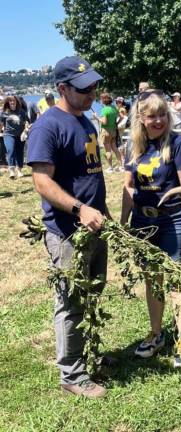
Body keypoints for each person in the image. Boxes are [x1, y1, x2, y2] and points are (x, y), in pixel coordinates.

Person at [27, 55, 109, 398]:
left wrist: (101, 211)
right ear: (62, 88)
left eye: (93, 85)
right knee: (70, 301)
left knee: (92, 292)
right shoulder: (49, 126)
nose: (92, 92)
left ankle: (86, 356)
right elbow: (42, 182)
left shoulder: (86, 120)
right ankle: (72, 374)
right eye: (83, 88)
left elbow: (89, 173)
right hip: (68, 231)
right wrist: (79, 210)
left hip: (95, 225)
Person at [120, 89, 181, 367]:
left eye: (162, 114)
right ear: (140, 117)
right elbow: (128, 187)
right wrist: (123, 222)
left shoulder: (178, 144)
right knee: (152, 279)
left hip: (172, 219)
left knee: (176, 280)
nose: (158, 120)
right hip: (143, 221)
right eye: (152, 116)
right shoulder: (133, 145)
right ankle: (156, 333)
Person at [0, 95, 29, 178]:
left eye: (14, 101)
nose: (12, 102)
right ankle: (11, 170)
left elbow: (26, 123)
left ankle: (19, 170)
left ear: (17, 102)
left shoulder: (21, 112)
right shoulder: (4, 112)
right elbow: (1, 124)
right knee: (11, 150)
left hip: (20, 135)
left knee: (20, 152)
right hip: (8, 134)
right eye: (10, 101)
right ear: (8, 103)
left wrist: (25, 131)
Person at [93, 92, 123, 172]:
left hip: (106, 131)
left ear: (103, 100)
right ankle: (121, 166)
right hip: (113, 131)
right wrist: (116, 123)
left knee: (108, 150)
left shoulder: (104, 110)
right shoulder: (114, 108)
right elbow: (121, 117)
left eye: (101, 99)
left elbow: (104, 122)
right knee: (115, 148)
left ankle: (110, 168)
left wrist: (96, 117)